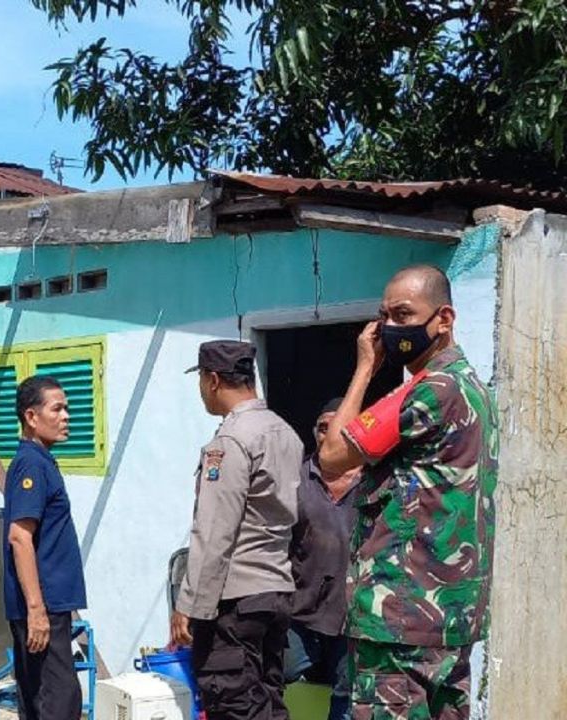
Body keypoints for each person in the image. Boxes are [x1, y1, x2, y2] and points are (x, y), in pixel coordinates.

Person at [318, 265, 498, 720]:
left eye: (403, 314)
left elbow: (334, 455)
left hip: (400, 619)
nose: (392, 329)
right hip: (449, 618)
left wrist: (364, 369)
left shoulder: (428, 389)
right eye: (385, 317)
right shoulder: (474, 389)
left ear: (444, 318)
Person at [170, 340, 304, 720]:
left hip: (236, 601)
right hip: (275, 591)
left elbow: (215, 532)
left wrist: (189, 605)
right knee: (269, 701)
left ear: (212, 380)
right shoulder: (285, 432)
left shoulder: (230, 441)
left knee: (233, 704)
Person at [3, 375, 87, 720]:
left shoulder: (40, 461)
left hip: (49, 605)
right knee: (59, 702)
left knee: (44, 698)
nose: (66, 415)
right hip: (42, 607)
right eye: (57, 408)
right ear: (31, 417)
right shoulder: (31, 465)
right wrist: (36, 610)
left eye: (66, 408)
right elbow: (19, 537)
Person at [284, 398, 361, 720]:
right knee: (277, 677)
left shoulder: (376, 483)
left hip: (353, 616)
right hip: (300, 612)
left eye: (337, 428)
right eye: (322, 428)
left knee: (345, 698)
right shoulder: (296, 480)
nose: (327, 435)